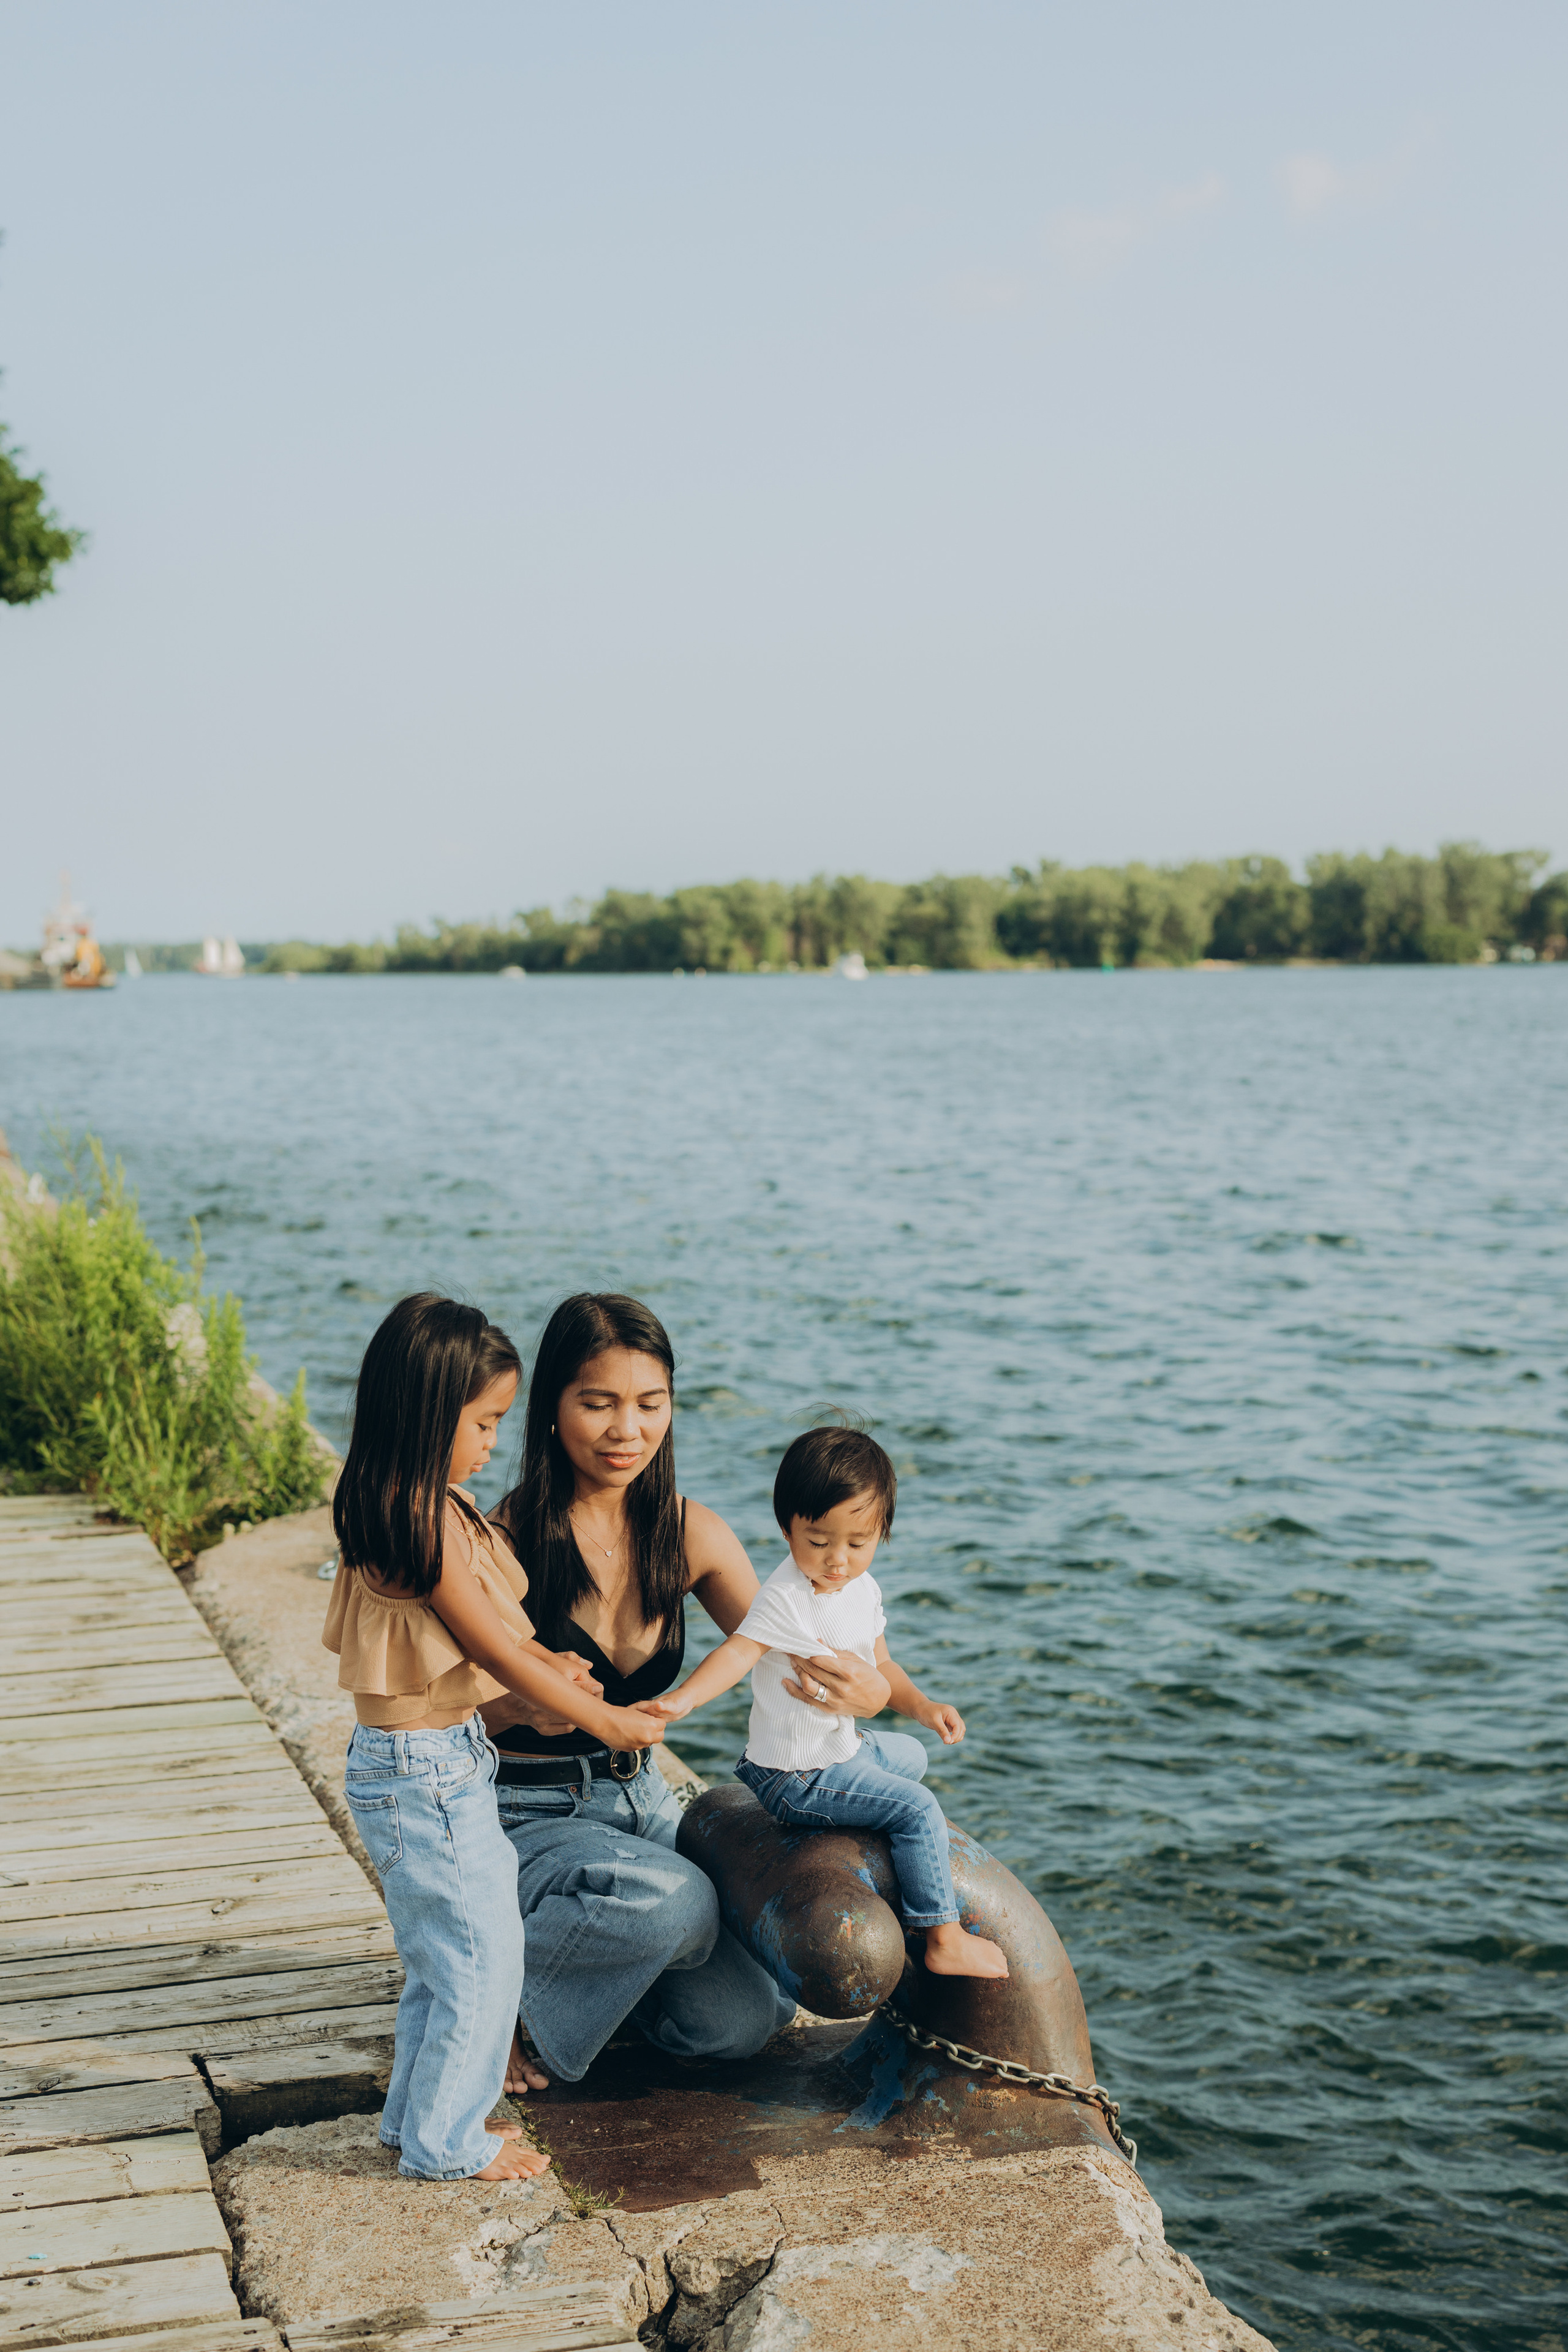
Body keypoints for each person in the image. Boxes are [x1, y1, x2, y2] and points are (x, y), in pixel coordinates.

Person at [484, 1294, 891, 2089]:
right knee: (676, 1905)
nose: (625, 1430)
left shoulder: (690, 1532)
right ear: (553, 1407)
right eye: (597, 1403)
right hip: (525, 1812)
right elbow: (443, 1708)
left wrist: (869, 1690)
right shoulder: (504, 1542)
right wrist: (532, 1704)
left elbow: (801, 1646)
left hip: (640, 1801)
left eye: (649, 1404)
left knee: (745, 2019)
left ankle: (600, 1968)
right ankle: (497, 2007)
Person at [324, 1294, 669, 2180]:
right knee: (481, 1954)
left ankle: (414, 2122)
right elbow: (491, 1653)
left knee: (445, 1957)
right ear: (429, 1415)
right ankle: (449, 2146)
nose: (490, 1443)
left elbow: (502, 1642)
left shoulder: (412, 1502)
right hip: (425, 1772)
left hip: (432, 1765)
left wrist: (551, 1661)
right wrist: (607, 1719)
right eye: (482, 1423)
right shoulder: (423, 1520)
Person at [652, 1425, 1009, 1980]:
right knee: (917, 1807)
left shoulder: (862, 1590)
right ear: (788, 1527)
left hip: (842, 1747)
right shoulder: (786, 1597)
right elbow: (739, 1652)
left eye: (857, 1543)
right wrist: (683, 1701)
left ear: (881, 1533)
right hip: (798, 1775)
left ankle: (875, 1805)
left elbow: (883, 1666)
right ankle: (942, 1935)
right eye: (819, 1542)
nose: (837, 1560)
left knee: (913, 1754)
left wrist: (924, 1706)